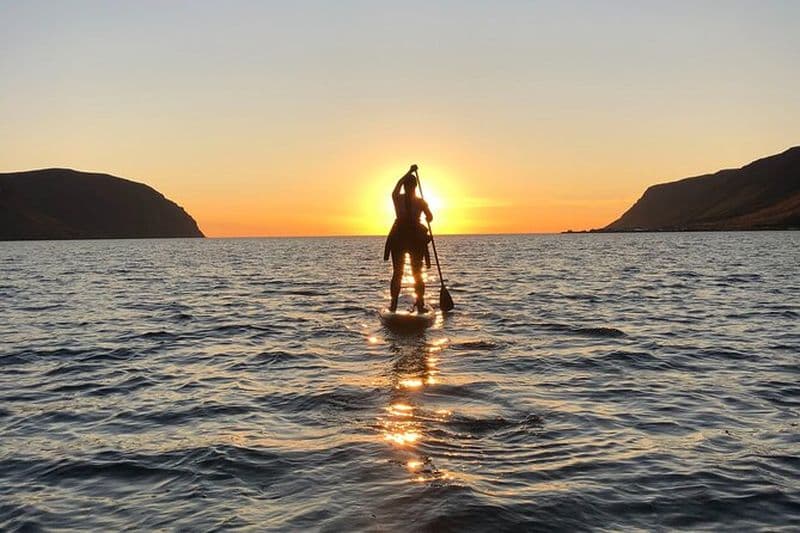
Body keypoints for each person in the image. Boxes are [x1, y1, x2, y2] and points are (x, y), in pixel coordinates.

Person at [383, 164, 433, 313]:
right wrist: (409, 172)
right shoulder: (400, 199)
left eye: (408, 185)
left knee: (413, 273)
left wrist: (427, 215)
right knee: (401, 273)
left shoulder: (417, 201)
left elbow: (430, 217)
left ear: (412, 187)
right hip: (401, 238)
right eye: (407, 185)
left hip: (412, 239)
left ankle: (418, 304)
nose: (407, 188)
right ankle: (396, 304)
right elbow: (430, 217)